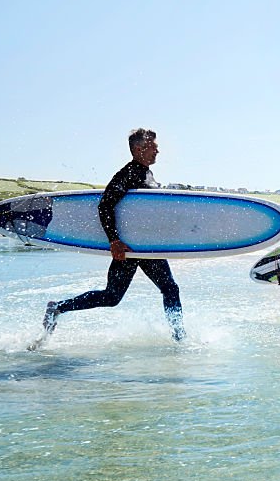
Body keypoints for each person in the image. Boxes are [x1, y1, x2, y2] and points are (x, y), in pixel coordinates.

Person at [30, 129, 186, 349]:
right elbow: (104, 206)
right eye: (153, 146)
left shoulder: (146, 173)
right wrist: (114, 240)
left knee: (167, 289)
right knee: (113, 297)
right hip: (128, 247)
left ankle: (179, 337)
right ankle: (57, 307)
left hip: (146, 247)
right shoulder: (128, 173)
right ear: (139, 149)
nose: (158, 150)